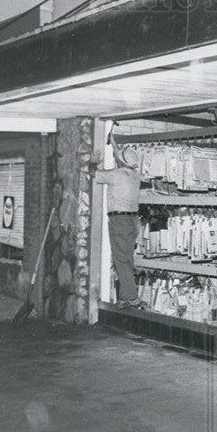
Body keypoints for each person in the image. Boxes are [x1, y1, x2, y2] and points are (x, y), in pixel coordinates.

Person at [91, 132, 144, 309]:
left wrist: (93, 160)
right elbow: (120, 156)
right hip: (133, 221)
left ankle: (131, 297)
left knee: (120, 260)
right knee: (127, 258)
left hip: (119, 220)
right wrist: (112, 141)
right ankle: (125, 297)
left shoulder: (115, 174)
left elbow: (94, 174)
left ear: (121, 162)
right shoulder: (136, 176)